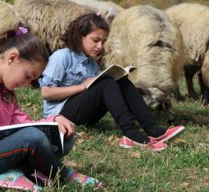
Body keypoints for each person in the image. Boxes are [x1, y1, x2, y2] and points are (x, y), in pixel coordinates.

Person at [0, 26, 102, 191]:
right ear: (13, 58)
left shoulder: (5, 90)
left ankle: (13, 174)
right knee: (31, 137)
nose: (26, 83)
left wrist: (54, 120)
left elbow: (26, 124)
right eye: (28, 76)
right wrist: (15, 139)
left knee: (63, 137)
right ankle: (64, 174)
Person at [39, 13, 185, 152]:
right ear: (79, 37)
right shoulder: (62, 57)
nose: (100, 47)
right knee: (106, 82)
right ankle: (130, 133)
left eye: (103, 42)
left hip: (86, 116)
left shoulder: (92, 64)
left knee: (119, 79)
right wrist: (81, 87)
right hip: (61, 116)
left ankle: (152, 128)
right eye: (95, 40)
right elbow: (46, 93)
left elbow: (96, 94)